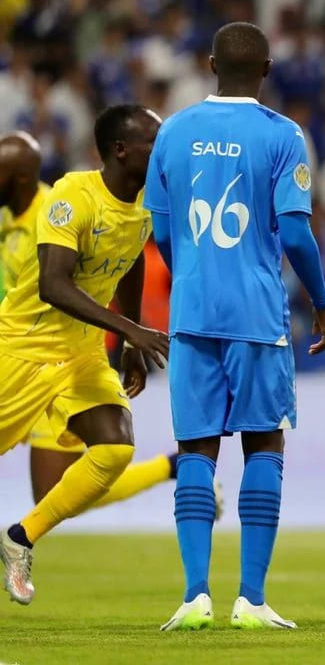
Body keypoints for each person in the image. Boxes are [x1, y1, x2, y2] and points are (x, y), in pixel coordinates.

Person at [145, 22, 325, 631]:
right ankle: (251, 600)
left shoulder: (171, 132)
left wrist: (196, 278)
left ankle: (195, 595)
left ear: (208, 64)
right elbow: (300, 234)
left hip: (192, 315)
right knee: (263, 445)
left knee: (196, 449)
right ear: (268, 69)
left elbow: (165, 233)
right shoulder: (282, 135)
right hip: (257, 316)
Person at [0, 105, 171, 605]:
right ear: (121, 151)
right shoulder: (74, 194)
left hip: (81, 352)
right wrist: (131, 329)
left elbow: (133, 258)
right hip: (23, 350)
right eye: (152, 145)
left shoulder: (144, 203)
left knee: (115, 446)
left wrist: (130, 347)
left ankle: (20, 538)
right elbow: (53, 284)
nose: (161, 154)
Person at [0, 131, 213, 519]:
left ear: (18, 178)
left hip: (61, 357)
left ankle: (171, 467)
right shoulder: (6, 219)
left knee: (68, 481)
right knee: (52, 492)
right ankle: (171, 467)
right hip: (16, 350)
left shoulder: (55, 210)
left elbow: (104, 263)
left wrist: (129, 332)